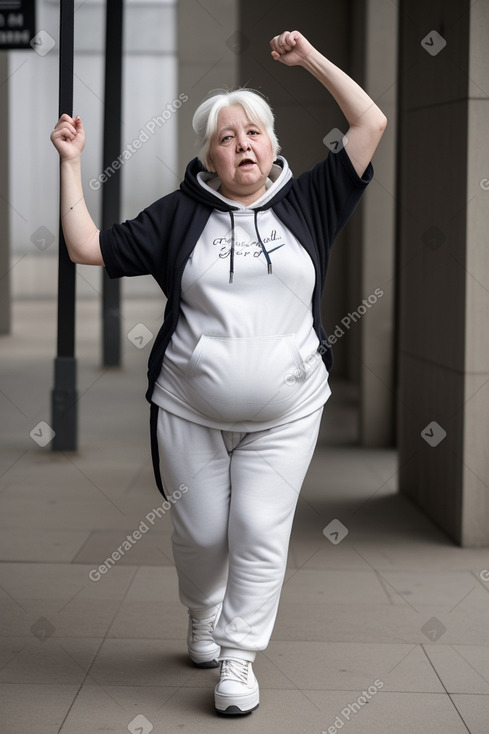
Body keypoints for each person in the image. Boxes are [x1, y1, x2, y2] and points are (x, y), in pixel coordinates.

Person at [50, 30, 386, 716]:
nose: (243, 143)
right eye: (227, 135)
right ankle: (201, 614)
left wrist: (310, 59)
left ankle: (237, 659)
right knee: (202, 532)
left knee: (259, 528)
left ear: (272, 146)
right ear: (208, 156)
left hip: (287, 410)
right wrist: (71, 161)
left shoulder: (309, 203)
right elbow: (86, 246)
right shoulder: (179, 217)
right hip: (187, 407)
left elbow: (369, 121)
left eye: (254, 131)